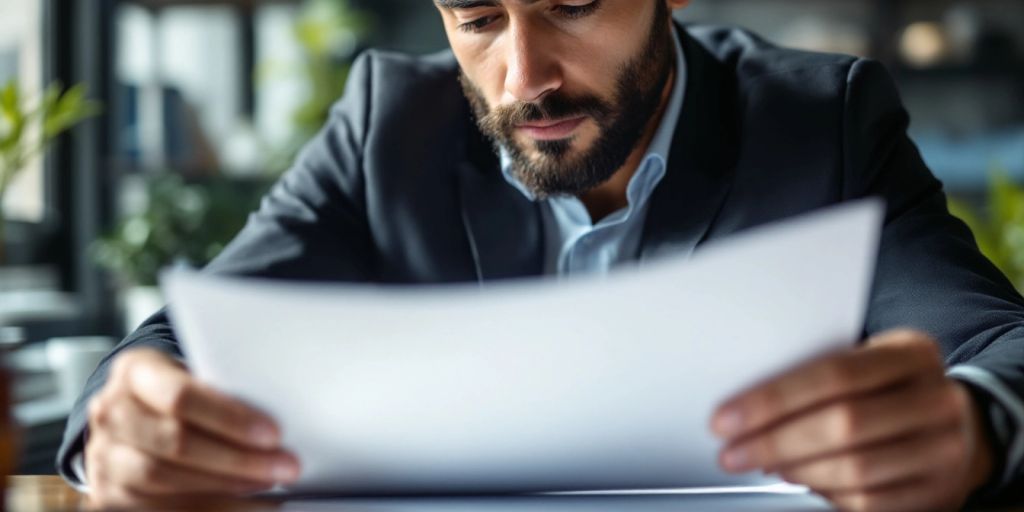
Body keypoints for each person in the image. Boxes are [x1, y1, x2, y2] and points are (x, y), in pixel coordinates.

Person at [59, 1, 1024, 509]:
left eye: (572, 2)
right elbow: (174, 345)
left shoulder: (822, 122)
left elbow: (999, 346)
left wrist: (972, 425)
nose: (526, 78)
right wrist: (127, 428)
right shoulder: (384, 129)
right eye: (478, 19)